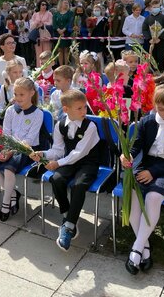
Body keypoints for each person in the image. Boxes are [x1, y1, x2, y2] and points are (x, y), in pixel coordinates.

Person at [120, 82, 164, 275]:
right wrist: (127, 155)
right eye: (161, 109)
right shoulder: (147, 122)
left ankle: (136, 249)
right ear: (154, 105)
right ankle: (145, 249)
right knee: (135, 202)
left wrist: (154, 172)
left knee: (153, 198)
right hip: (145, 166)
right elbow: (137, 145)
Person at [30, 89, 100, 251]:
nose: (84, 111)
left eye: (84, 107)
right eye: (79, 108)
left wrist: (58, 163)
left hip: (88, 163)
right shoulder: (60, 125)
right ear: (66, 109)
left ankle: (68, 226)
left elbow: (79, 152)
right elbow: (58, 150)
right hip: (68, 161)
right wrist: (44, 154)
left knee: (79, 185)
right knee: (56, 179)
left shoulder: (90, 126)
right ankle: (68, 214)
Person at [0, 78, 49, 221]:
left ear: (32, 93)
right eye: (15, 94)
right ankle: (13, 193)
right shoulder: (10, 110)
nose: (18, 98)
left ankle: (6, 202)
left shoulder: (38, 113)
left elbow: (30, 139)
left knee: (9, 169)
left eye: (22, 94)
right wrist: (4, 149)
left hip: (27, 150)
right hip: (8, 146)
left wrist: (12, 151)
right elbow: (6, 133)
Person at [142, 0, 164, 71]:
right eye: (154, 7)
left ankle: (162, 72)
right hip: (151, 42)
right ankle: (154, 72)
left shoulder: (163, 17)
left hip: (161, 41)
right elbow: (144, 29)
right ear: (150, 8)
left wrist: (160, 38)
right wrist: (149, 38)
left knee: (161, 57)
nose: (155, 9)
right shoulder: (148, 18)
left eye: (157, 7)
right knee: (152, 58)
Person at [53, 0, 73, 66]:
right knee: (59, 50)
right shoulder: (56, 13)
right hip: (58, 33)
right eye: (65, 3)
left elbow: (70, 22)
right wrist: (59, 30)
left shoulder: (70, 13)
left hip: (66, 33)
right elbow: (54, 23)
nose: (66, 4)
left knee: (66, 50)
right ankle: (61, 66)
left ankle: (66, 65)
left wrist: (63, 30)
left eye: (67, 3)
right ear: (61, 4)